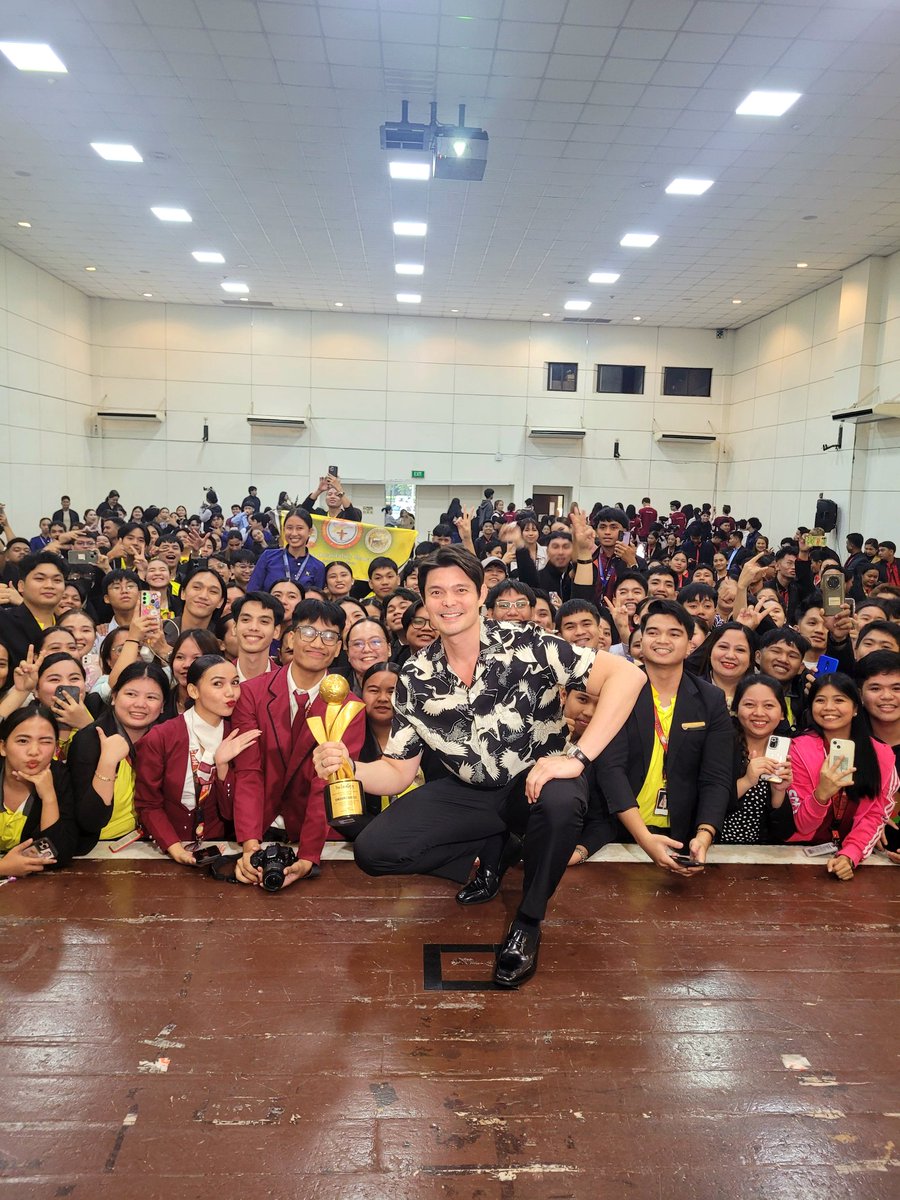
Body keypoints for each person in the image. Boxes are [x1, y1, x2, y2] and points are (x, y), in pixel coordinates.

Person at [312, 545, 646, 989]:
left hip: (536, 782)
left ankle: (528, 921)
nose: (449, 602)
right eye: (436, 592)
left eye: (460, 590)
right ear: (424, 599)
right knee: (374, 852)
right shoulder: (414, 675)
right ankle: (495, 846)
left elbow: (629, 676)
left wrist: (577, 757)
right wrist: (349, 767)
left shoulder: (529, 643)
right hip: (469, 792)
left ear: (480, 594)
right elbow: (397, 772)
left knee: (562, 802)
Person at [231, 599, 366, 887]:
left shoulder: (349, 707)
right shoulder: (252, 693)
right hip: (258, 828)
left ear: (338, 647)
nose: (318, 643)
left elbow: (327, 782)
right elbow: (249, 772)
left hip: (316, 835)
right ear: (291, 638)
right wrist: (249, 844)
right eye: (308, 632)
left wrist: (308, 856)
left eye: (329, 636)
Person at [596, 600, 734, 875]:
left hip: (683, 836)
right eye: (653, 632)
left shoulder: (710, 699)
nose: (662, 640)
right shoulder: (619, 690)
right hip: (620, 830)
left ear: (689, 644)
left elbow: (717, 777)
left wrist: (704, 836)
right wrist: (644, 838)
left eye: (674, 633)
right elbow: (611, 769)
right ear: (641, 640)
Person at [135, 655, 262, 864]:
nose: (230, 692)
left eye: (235, 682)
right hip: (165, 848)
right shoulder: (161, 737)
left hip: (220, 848)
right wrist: (176, 850)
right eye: (218, 684)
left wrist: (222, 767)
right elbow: (148, 804)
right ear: (193, 691)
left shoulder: (238, 736)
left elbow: (232, 813)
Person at [787, 673, 896, 879]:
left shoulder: (881, 755)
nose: (829, 707)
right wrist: (821, 795)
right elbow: (802, 825)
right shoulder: (797, 750)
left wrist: (850, 855)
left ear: (855, 708)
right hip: (797, 856)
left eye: (839, 700)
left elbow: (874, 815)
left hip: (852, 855)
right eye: (820, 700)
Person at [67, 662, 169, 852]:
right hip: (97, 848)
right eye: (131, 694)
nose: (140, 704)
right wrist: (107, 763)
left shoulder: (166, 740)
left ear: (163, 706)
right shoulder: (89, 739)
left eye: (151, 697)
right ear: (114, 697)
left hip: (151, 844)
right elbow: (90, 821)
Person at [0, 704, 78, 875]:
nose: (34, 751)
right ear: (3, 747)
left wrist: (49, 797)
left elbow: (58, 856)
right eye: (23, 741)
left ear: (55, 748)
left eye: (45, 741)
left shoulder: (60, 776)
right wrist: (3, 867)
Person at [720, 675, 795, 844]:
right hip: (714, 848)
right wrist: (747, 781)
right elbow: (707, 806)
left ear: (782, 714)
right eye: (749, 704)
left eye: (769, 706)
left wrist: (779, 791)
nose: (759, 713)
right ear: (736, 709)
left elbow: (784, 832)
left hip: (759, 853)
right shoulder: (719, 746)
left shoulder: (784, 753)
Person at [0, 552, 67, 673]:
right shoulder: (4, 621)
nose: (49, 585)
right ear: (21, 586)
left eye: (57, 580)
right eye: (40, 579)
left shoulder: (67, 625)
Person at [246, 508, 325, 593]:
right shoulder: (268, 557)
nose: (294, 533)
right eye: (289, 528)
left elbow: (316, 599)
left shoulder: (318, 567)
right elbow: (252, 592)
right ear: (284, 530)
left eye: (299, 528)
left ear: (310, 531)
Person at [231, 591, 283, 682]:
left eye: (264, 621)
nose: (253, 627)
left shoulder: (286, 682)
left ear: (276, 631)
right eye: (246, 620)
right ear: (234, 627)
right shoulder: (216, 678)